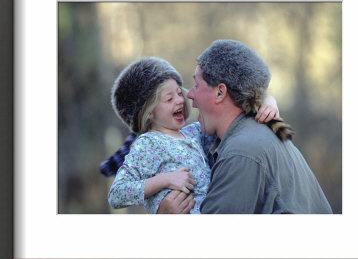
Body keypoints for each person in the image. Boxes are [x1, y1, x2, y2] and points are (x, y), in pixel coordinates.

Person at [157, 39, 333, 214]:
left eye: (196, 85)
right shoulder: (256, 133)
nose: (190, 95)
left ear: (220, 92)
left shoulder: (241, 153)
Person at [105, 56, 279, 214]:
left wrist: (267, 101)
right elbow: (117, 194)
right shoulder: (148, 144)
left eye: (179, 93)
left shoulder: (195, 133)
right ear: (149, 112)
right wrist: (166, 180)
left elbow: (231, 116)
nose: (180, 100)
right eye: (169, 99)